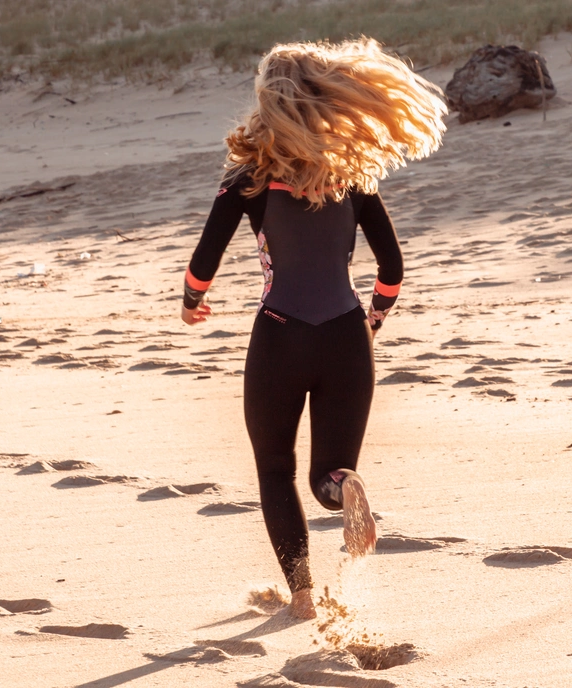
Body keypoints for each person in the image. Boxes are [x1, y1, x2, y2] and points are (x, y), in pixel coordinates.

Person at [180, 38, 446, 619]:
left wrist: (191, 300)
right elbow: (392, 268)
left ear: (271, 103)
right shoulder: (353, 180)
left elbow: (205, 260)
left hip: (280, 334)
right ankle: (345, 487)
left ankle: (301, 596)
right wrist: (373, 318)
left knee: (275, 469)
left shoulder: (246, 180)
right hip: (347, 336)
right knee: (327, 472)